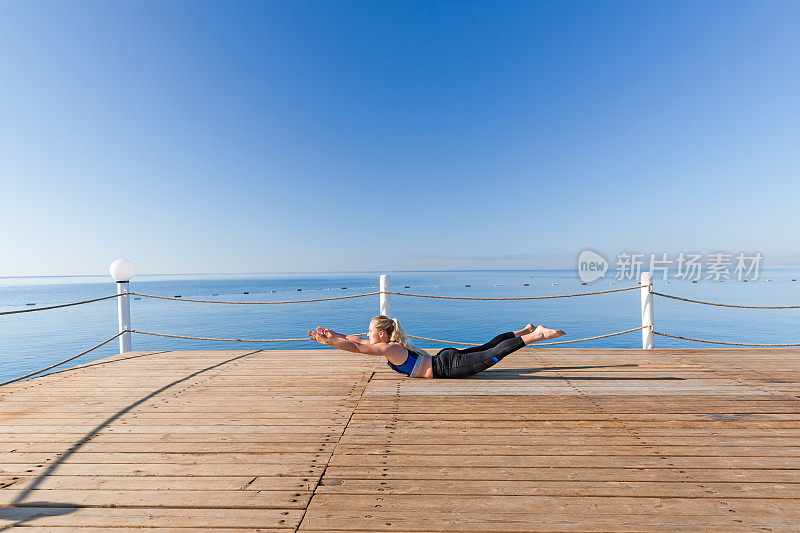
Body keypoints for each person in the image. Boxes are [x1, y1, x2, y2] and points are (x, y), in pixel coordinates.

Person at [307, 315, 566, 379]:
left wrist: (327, 342)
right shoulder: (391, 345)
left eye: (370, 331)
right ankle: (523, 330)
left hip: (446, 367)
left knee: (492, 355)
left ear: (383, 335)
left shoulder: (388, 349)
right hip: (443, 360)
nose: (365, 335)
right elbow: (357, 342)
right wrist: (334, 334)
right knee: (487, 347)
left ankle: (535, 335)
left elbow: (357, 348)